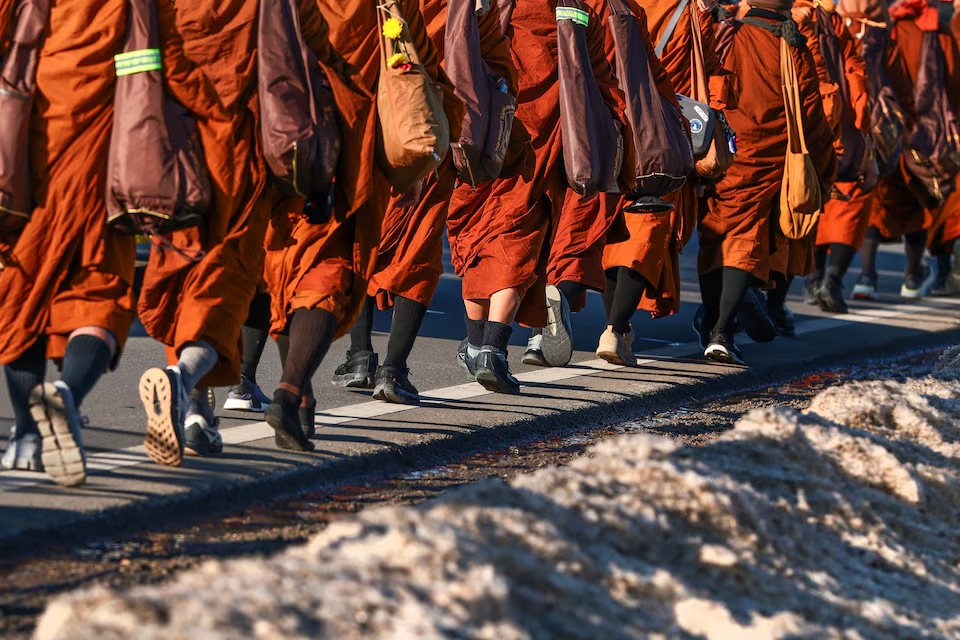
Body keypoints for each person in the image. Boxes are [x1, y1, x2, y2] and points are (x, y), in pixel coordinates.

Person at [0, 0, 211, 485]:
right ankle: (68, 397)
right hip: (107, 151)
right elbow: (172, 59)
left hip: (30, 149)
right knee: (97, 297)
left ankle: (26, 437)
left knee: (23, 298)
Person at [261, 0, 456, 449]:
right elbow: (419, 63)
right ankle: (291, 391)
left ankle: (298, 390)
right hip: (352, 152)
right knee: (329, 275)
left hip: (280, 136)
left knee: (284, 273)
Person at [453, 0, 631, 391]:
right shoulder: (576, 12)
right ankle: (493, 351)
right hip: (539, 146)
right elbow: (600, 80)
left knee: (476, 240)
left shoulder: (484, 4)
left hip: (486, 139)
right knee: (518, 241)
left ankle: (477, 343)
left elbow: (454, 54)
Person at [331, 0, 497, 406]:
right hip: (422, 131)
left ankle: (359, 358)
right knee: (417, 254)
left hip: (363, 128)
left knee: (364, 239)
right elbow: (488, 63)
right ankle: (393, 369)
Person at [702, 0, 836, 364]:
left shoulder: (726, 33)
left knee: (715, 235)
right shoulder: (791, 45)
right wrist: (826, 167)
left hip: (722, 152)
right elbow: (810, 115)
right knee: (745, 240)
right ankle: (721, 332)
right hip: (768, 157)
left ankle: (713, 323)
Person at [603, 0, 735, 362]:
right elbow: (710, 76)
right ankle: (616, 328)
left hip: (613, 117)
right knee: (649, 225)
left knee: (613, 224)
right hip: (665, 131)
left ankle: (617, 327)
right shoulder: (693, 12)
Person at [853, 0, 960, 301]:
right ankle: (913, 276)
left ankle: (866, 277)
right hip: (925, 134)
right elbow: (952, 81)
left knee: (879, 206)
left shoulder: (885, 29)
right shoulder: (936, 29)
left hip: (889, 129)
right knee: (919, 206)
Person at [786, 0, 871, 318]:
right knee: (822, 198)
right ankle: (823, 279)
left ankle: (823, 279)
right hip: (825, 124)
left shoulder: (832, 22)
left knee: (836, 199)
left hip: (834, 124)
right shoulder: (805, 18)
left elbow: (855, 71)